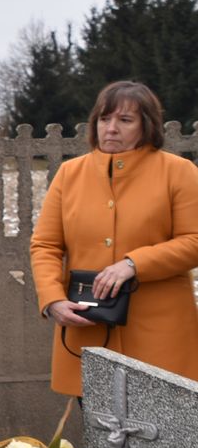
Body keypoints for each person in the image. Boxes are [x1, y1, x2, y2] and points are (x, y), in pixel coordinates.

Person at [30, 80, 198, 394]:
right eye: (104, 119)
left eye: (125, 120)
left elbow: (194, 240)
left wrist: (133, 264)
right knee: (98, 424)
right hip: (89, 328)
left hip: (162, 335)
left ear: (147, 125)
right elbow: (46, 245)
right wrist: (52, 299)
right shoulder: (69, 173)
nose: (111, 128)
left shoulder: (179, 171)